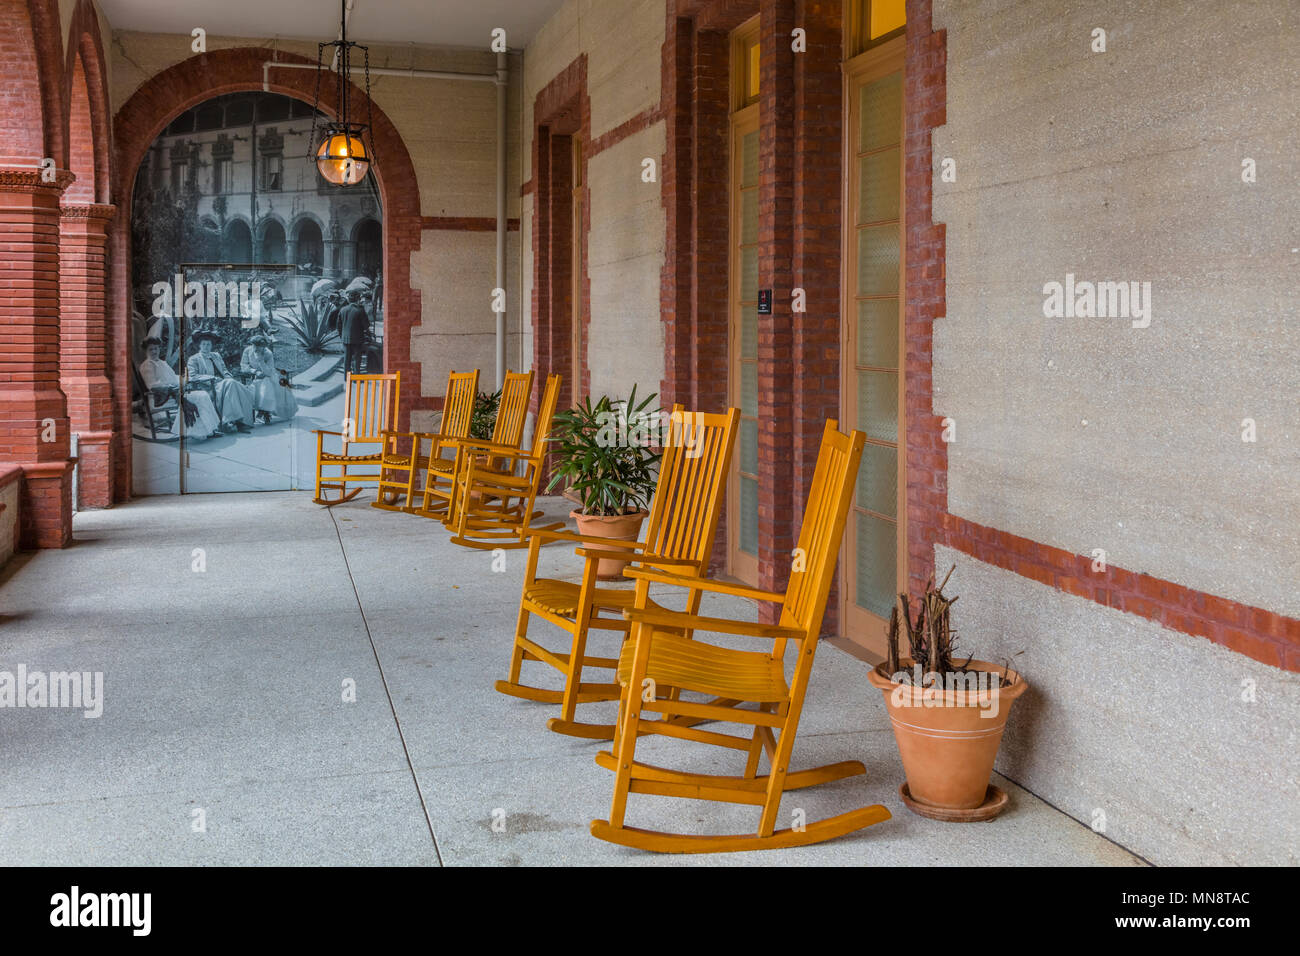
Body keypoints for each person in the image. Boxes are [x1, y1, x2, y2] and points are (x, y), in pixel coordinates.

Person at [138, 337, 222, 439]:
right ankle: (199, 433)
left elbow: (173, 378)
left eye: (156, 348)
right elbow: (152, 385)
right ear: (145, 351)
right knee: (198, 397)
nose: (154, 351)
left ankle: (209, 430)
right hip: (163, 396)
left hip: (174, 393)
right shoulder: (147, 365)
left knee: (202, 394)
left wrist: (185, 380)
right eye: (151, 349)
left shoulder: (162, 363)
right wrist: (172, 387)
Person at [186, 329, 256, 432]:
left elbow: (224, 370)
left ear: (212, 346)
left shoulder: (216, 356)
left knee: (233, 384)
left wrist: (228, 377)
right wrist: (212, 378)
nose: (206, 347)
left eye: (208, 345)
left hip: (224, 384)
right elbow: (192, 376)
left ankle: (231, 421)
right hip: (208, 386)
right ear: (199, 346)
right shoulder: (194, 359)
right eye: (204, 344)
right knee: (233, 385)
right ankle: (238, 422)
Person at [241, 333, 299, 424]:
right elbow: (243, 366)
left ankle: (264, 411)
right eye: (254, 345)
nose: (256, 349)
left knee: (267, 383)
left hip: (269, 377)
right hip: (254, 377)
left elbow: (269, 372)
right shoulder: (247, 351)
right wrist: (254, 371)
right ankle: (264, 411)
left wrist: (260, 360)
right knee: (264, 384)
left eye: (259, 347)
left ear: (263, 347)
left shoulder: (268, 353)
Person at [337, 289, 370, 375]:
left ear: (349, 299)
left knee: (346, 359)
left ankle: (346, 377)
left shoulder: (343, 310)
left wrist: (342, 336)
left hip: (345, 338)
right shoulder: (360, 310)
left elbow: (339, 326)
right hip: (357, 339)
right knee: (356, 359)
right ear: (357, 299)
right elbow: (366, 325)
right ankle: (356, 378)